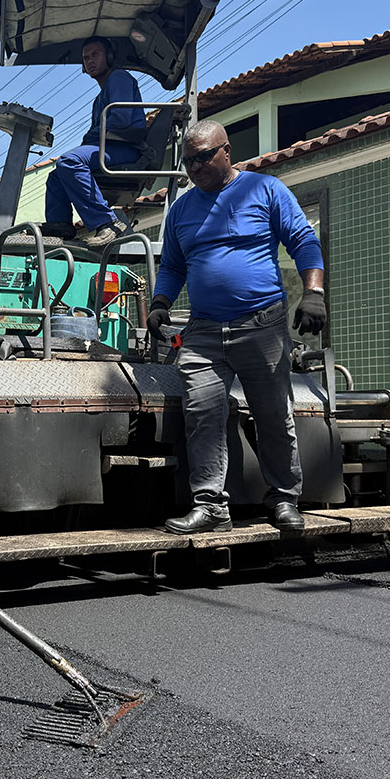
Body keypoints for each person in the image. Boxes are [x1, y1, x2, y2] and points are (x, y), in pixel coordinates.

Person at [148, 120, 328, 535]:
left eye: (203, 157)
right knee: (202, 415)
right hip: (205, 331)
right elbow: (174, 265)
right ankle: (210, 506)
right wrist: (160, 302)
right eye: (188, 160)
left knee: (272, 416)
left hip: (261, 325)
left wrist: (314, 292)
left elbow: (303, 240)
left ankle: (284, 499)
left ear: (226, 152)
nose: (195, 167)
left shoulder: (264, 190)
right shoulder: (182, 210)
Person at [44, 36, 145, 248]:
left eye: (95, 55)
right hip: (109, 148)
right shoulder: (99, 99)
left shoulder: (119, 78)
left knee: (70, 161)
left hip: (126, 148)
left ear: (109, 56)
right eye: (85, 58)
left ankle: (108, 223)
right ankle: (59, 225)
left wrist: (90, 139)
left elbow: (120, 119)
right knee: (57, 175)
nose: (89, 61)